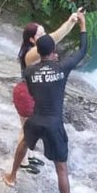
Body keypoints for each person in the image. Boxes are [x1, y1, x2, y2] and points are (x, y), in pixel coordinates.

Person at [4, 10, 87, 193]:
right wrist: (82, 26)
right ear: (55, 51)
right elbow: (82, 50)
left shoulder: (30, 73)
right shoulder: (61, 68)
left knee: (24, 142)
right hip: (53, 123)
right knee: (61, 168)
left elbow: (32, 88)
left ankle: (11, 176)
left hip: (37, 118)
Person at [13, 13, 79, 174]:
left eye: (44, 33)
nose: (45, 36)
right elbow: (54, 38)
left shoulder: (31, 50)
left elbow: (52, 39)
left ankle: (26, 158)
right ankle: (22, 162)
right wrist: (71, 21)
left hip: (28, 90)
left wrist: (71, 21)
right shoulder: (31, 53)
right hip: (26, 93)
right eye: (41, 34)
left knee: (27, 127)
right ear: (32, 39)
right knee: (25, 129)